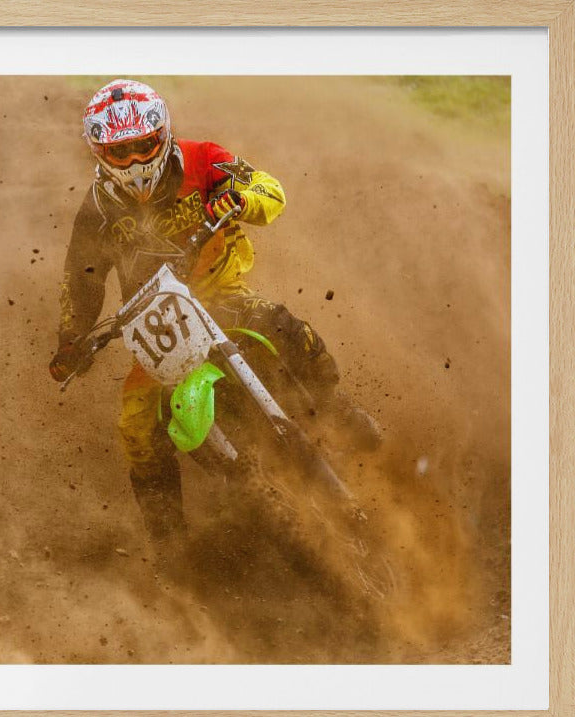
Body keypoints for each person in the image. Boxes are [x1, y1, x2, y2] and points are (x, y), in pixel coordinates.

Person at [49, 79, 379, 547]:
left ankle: (338, 407)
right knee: (136, 427)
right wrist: (71, 340)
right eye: (121, 152)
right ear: (98, 153)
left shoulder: (202, 159)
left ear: (163, 135)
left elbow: (269, 189)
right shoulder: (97, 210)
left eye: (144, 145)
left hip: (219, 291)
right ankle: (170, 548)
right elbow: (80, 281)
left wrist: (244, 200)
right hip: (156, 323)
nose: (137, 161)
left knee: (277, 321)